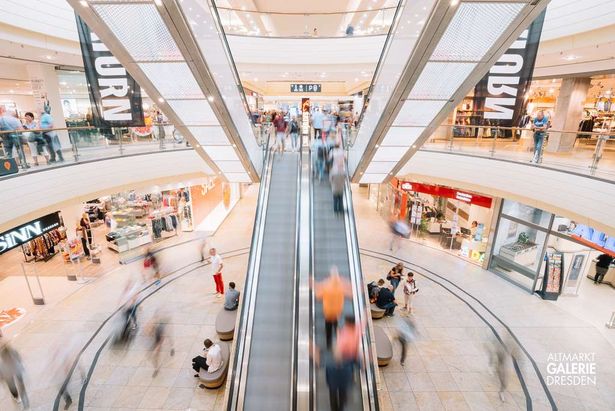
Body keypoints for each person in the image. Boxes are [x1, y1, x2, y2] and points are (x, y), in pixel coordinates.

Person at [315, 267, 352, 349]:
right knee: (335, 322)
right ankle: (336, 332)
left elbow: (318, 296)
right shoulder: (342, 285)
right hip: (337, 311)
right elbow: (350, 294)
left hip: (328, 312)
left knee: (328, 325)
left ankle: (329, 343)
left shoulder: (326, 285)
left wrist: (316, 286)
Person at [0, 342, 29, 408]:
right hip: (8, 371)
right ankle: (17, 396)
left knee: (14, 383)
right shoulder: (10, 350)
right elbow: (18, 357)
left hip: (12, 369)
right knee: (12, 384)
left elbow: (18, 357)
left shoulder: (11, 351)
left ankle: (17, 396)